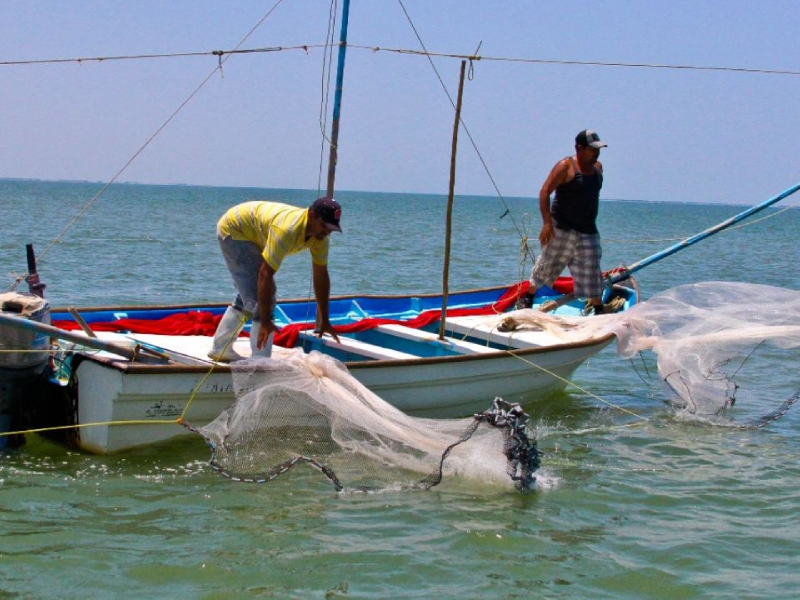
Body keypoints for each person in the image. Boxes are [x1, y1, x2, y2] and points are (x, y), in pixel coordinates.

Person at [209, 197, 342, 361]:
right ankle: (260, 360)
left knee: (251, 295)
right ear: (312, 215)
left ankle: (221, 347)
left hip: (256, 233)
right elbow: (265, 274)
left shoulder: (320, 237)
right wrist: (265, 320)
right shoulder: (287, 230)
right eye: (324, 226)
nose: (326, 232)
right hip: (235, 230)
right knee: (260, 296)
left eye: (331, 229)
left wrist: (326, 320)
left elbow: (321, 275)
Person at [520, 129, 607, 313]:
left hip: (588, 230)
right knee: (546, 264)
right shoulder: (565, 166)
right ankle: (528, 298)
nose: (596, 153)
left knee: (592, 269)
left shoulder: (598, 168)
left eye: (598, 149)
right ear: (579, 148)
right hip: (562, 228)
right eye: (592, 149)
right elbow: (545, 192)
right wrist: (547, 224)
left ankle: (599, 309)